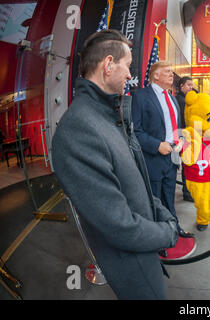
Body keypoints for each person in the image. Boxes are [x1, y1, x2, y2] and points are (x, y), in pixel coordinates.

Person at [51, 30, 178, 299]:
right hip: (132, 263)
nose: (130, 75)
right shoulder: (78, 130)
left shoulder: (109, 116)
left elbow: (137, 180)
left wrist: (162, 213)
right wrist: (166, 233)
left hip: (146, 246)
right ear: (108, 65)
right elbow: (117, 224)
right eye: (128, 66)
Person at [132, 60, 194, 248]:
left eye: (172, 72)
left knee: (169, 197)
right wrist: (157, 145)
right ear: (156, 75)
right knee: (155, 200)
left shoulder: (172, 98)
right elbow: (135, 130)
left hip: (172, 158)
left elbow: (174, 127)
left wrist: (181, 139)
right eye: (167, 71)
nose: (172, 75)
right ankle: (158, 238)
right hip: (153, 158)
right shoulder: (141, 96)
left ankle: (173, 227)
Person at [175, 76, 194, 203]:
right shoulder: (181, 100)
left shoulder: (183, 99)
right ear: (181, 85)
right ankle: (187, 192)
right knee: (186, 165)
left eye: (191, 85)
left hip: (183, 135)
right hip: (182, 135)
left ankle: (187, 191)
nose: (191, 87)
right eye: (188, 85)